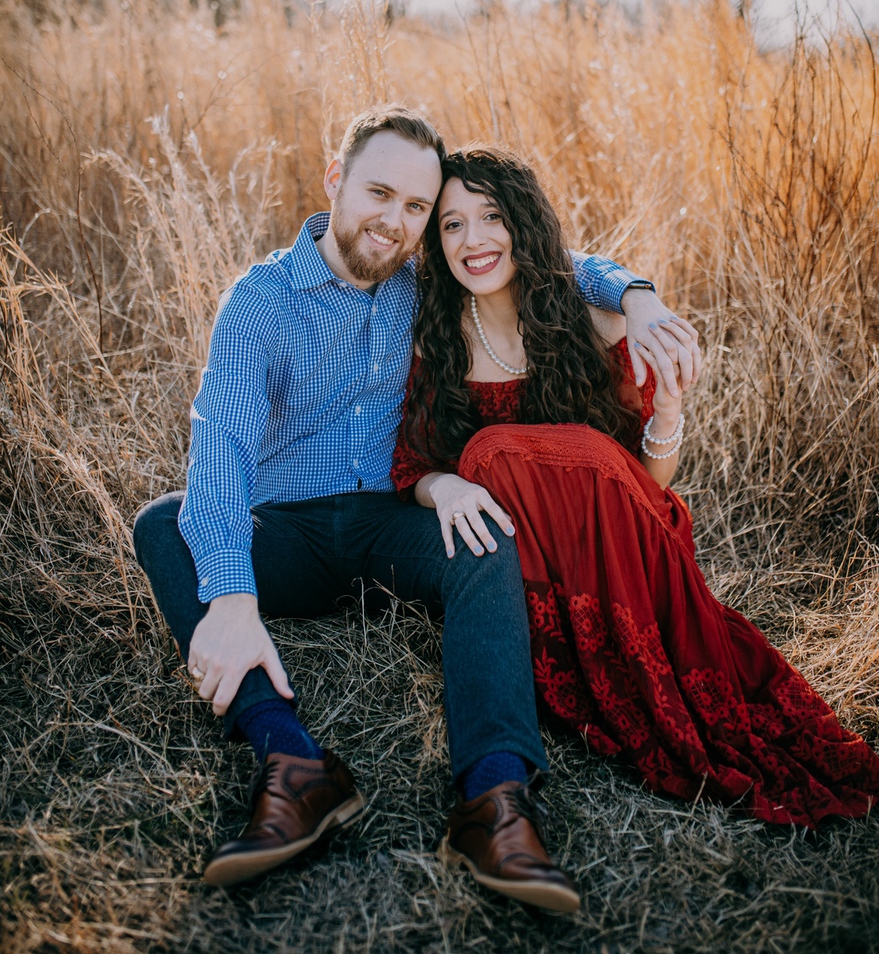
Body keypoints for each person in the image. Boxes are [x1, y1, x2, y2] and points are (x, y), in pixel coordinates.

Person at [133, 105, 699, 912]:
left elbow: (540, 258)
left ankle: (495, 799)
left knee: (484, 535)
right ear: (335, 182)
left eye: (414, 208)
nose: (394, 222)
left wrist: (636, 293)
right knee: (163, 522)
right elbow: (218, 445)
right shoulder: (259, 302)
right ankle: (293, 765)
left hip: (393, 523)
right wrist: (229, 594)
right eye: (378, 193)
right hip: (287, 529)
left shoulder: (422, 276)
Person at [392, 146, 879, 829]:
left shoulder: (597, 321)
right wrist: (443, 486)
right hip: (534, 569)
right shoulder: (436, 341)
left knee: (498, 450)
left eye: (491, 216)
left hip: (627, 544)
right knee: (485, 456)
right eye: (450, 224)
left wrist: (669, 414)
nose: (473, 239)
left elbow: (644, 483)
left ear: (522, 223)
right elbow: (412, 467)